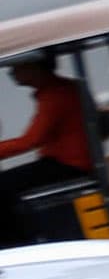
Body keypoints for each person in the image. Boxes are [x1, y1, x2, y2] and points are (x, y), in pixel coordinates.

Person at [0, 60, 96, 248]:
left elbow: (31, 140)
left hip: (68, 165)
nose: (11, 72)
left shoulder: (56, 95)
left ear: (35, 67)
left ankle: (15, 243)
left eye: (17, 66)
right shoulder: (60, 89)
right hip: (64, 161)